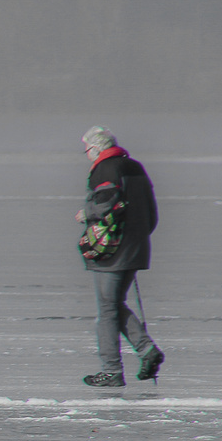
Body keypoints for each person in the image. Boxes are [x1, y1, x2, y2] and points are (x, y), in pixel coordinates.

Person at [76, 125, 163, 387]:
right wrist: (140, 237)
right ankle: (147, 351)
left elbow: (106, 204)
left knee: (106, 309)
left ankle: (111, 370)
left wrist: (86, 214)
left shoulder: (105, 169)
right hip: (137, 246)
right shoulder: (135, 166)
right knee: (114, 304)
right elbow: (150, 211)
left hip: (111, 249)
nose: (88, 155)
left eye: (87, 150)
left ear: (96, 148)